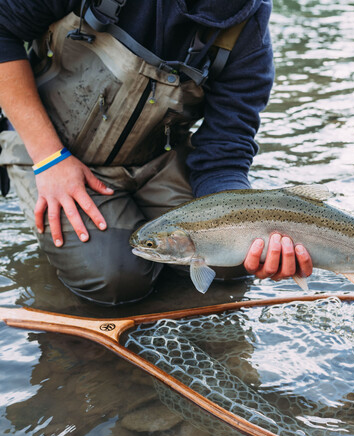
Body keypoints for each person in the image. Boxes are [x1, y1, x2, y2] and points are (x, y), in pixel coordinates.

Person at [0, 0, 312, 305]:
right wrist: (49, 157)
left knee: (230, 263)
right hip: (48, 147)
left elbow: (224, 154)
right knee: (116, 280)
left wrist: (250, 234)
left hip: (156, 160)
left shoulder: (248, 27)